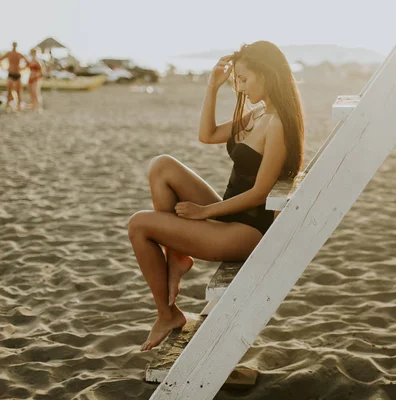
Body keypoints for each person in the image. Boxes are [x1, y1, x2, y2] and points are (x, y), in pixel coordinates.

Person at [128, 41, 305, 351]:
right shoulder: (259, 114)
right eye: (236, 79)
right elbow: (207, 135)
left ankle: (167, 314)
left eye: (245, 78)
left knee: (139, 225)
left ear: (268, 75)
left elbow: (259, 193)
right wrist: (212, 87)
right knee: (162, 166)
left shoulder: (276, 125)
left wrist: (204, 212)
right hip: (229, 216)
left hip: (247, 231)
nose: (240, 87)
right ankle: (178, 258)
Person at [0, 42, 28, 111]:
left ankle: (19, 106)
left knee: (18, 91)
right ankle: (8, 107)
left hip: (17, 74)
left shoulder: (19, 54)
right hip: (10, 74)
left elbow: (27, 63)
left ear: (16, 46)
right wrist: (4, 68)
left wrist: (22, 69)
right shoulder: (9, 53)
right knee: (9, 91)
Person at [27, 48, 44, 112]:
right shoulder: (30, 61)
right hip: (30, 78)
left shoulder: (38, 62)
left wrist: (36, 77)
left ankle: (39, 107)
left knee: (36, 93)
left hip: (36, 79)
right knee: (31, 93)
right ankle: (34, 106)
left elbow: (41, 72)